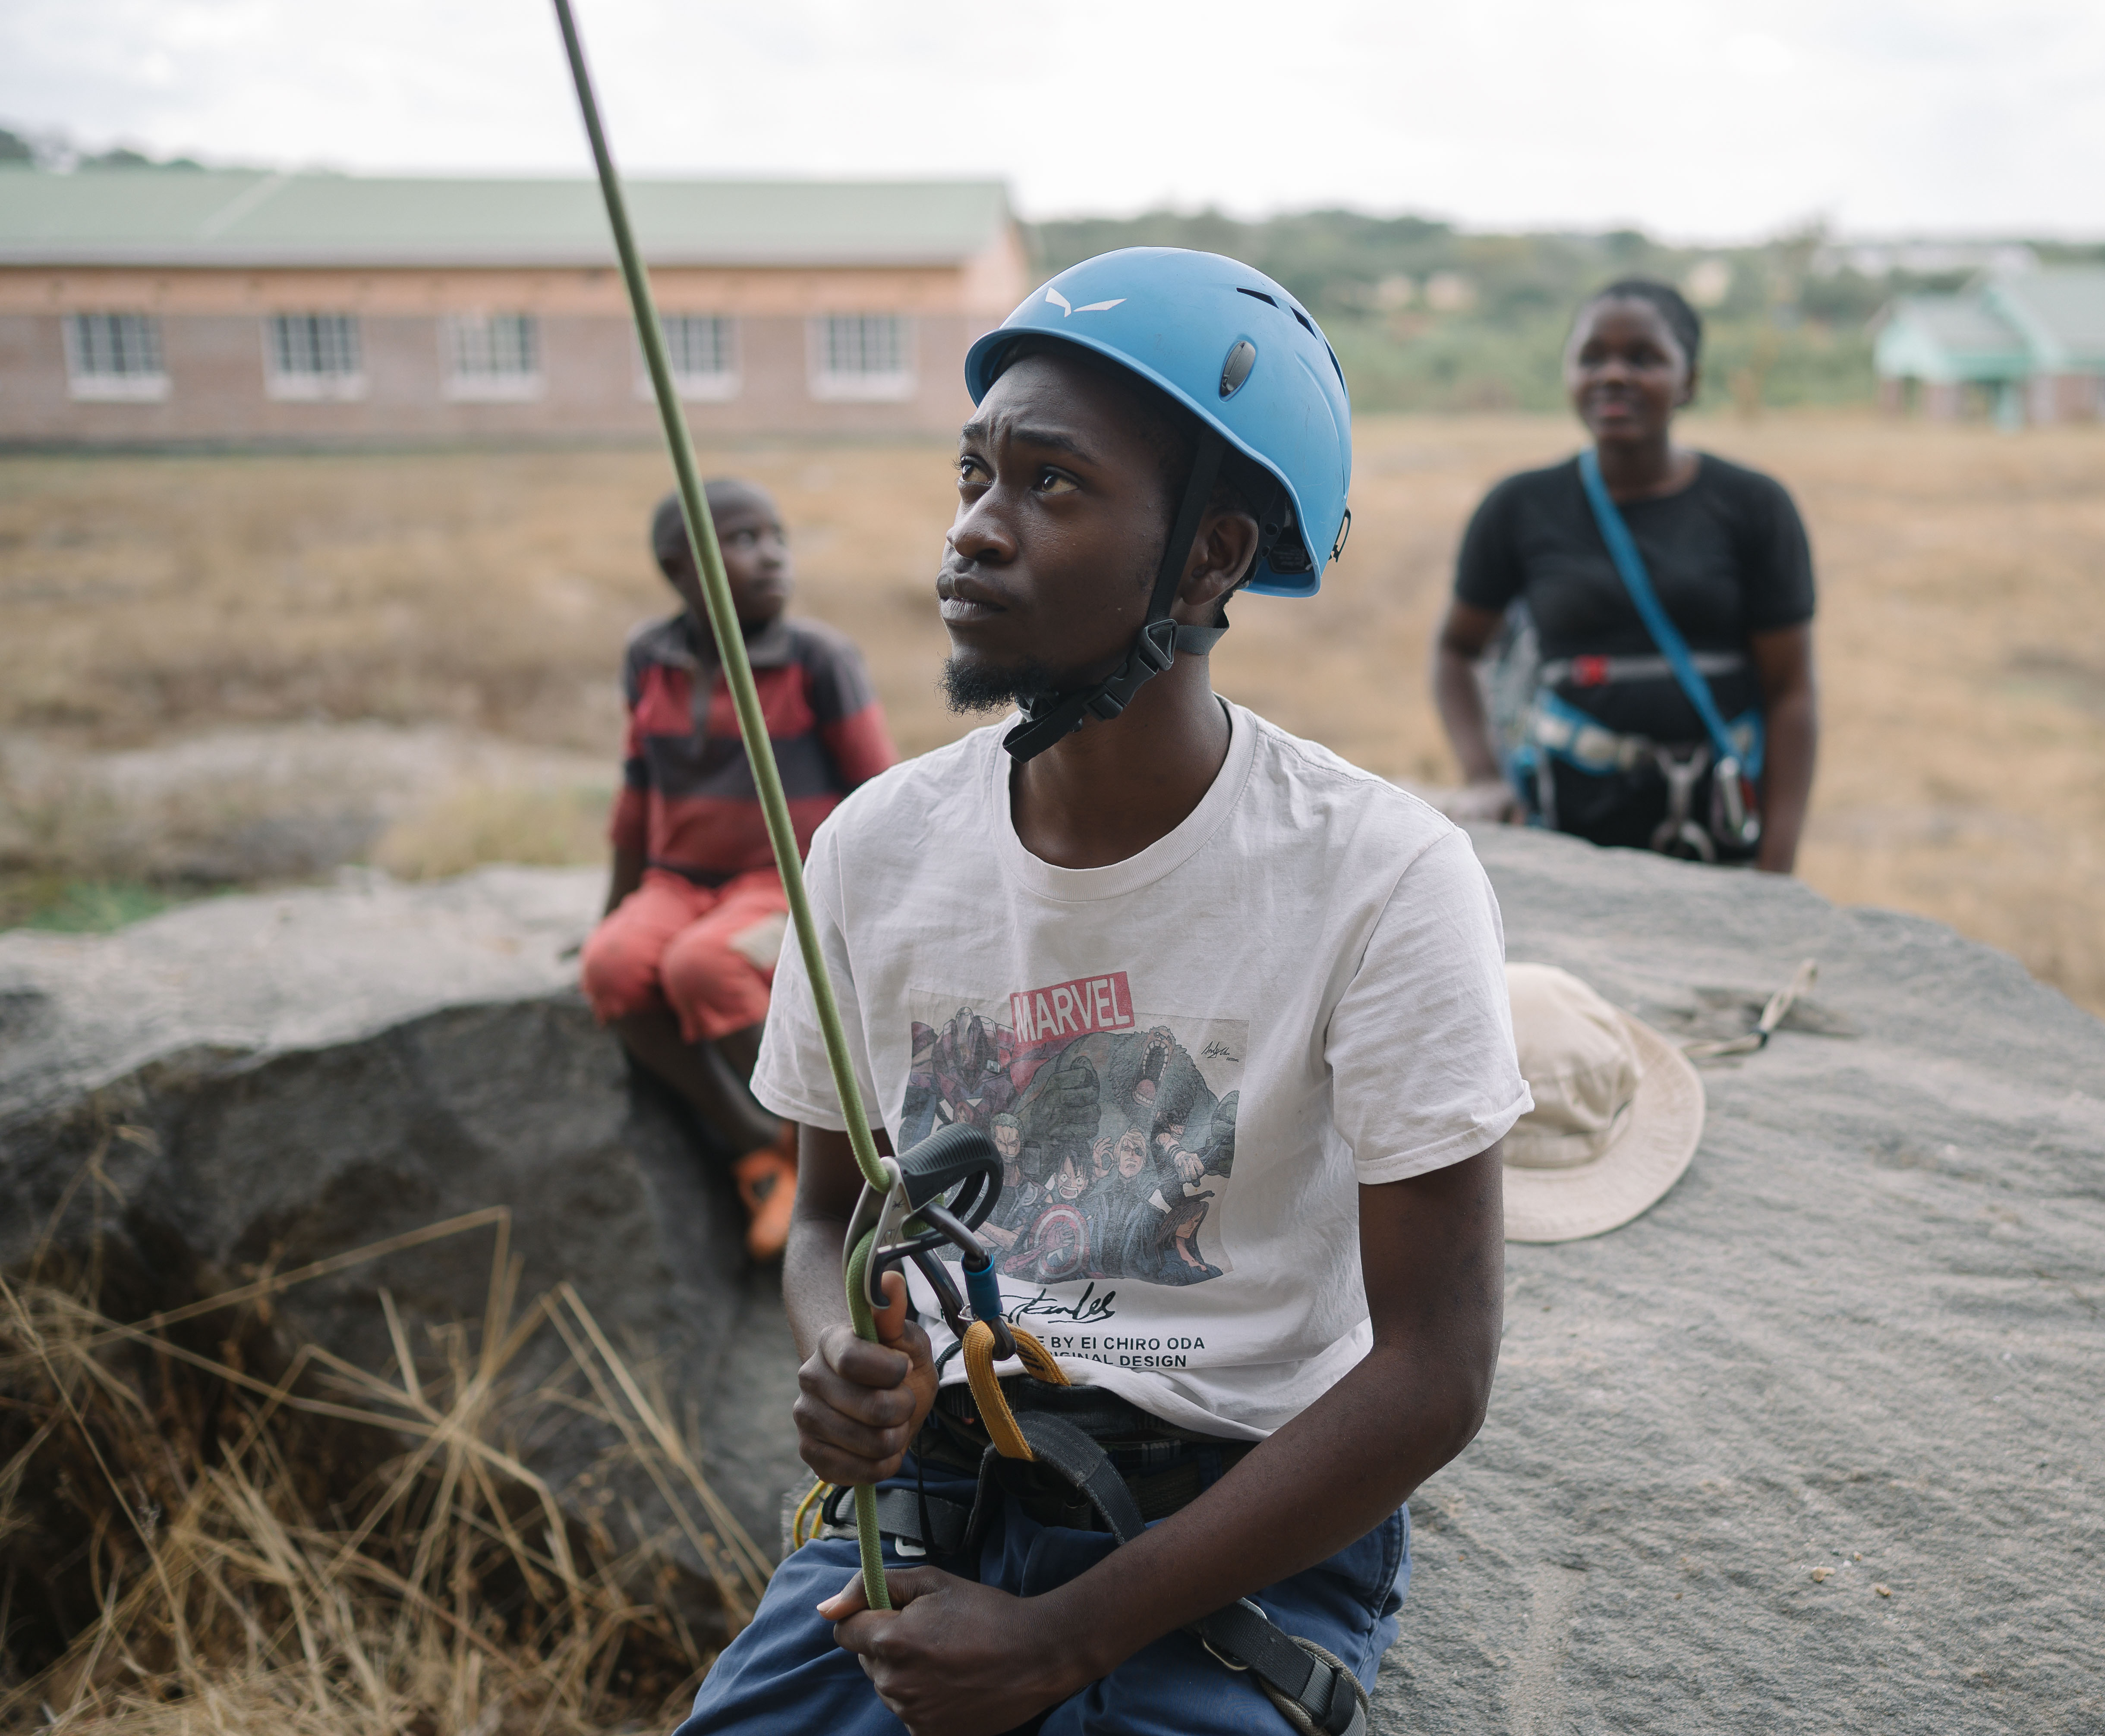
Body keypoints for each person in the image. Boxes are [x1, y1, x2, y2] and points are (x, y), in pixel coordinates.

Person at [673, 248, 1527, 1736]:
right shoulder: (876, 848)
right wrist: (838, 1352)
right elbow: (824, 1221)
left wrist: (1068, 1637)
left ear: (1209, 557)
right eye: (971, 473)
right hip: (935, 1489)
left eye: (1051, 486)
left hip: (1227, 1515)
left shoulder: (1382, 878)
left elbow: (1434, 1372)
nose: (973, 533)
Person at [578, 479, 896, 1261]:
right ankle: (759, 1147)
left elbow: (884, 795)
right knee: (612, 965)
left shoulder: (818, 659)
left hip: (780, 889)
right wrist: (613, 909)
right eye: (743, 540)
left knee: (703, 967)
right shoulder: (649, 660)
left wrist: (872, 922)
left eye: (777, 537)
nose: (772, 556)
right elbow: (637, 792)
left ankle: (803, 1160)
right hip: (676, 881)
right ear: (678, 566)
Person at [1431, 279, 1819, 871]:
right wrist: (1484, 776)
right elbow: (1456, 650)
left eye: (1644, 358)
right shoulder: (1519, 507)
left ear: (1689, 381)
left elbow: (1791, 692)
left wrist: (1777, 865)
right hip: (1569, 829)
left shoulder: (1754, 506)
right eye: (1592, 357)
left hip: (1719, 829)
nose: (1614, 375)